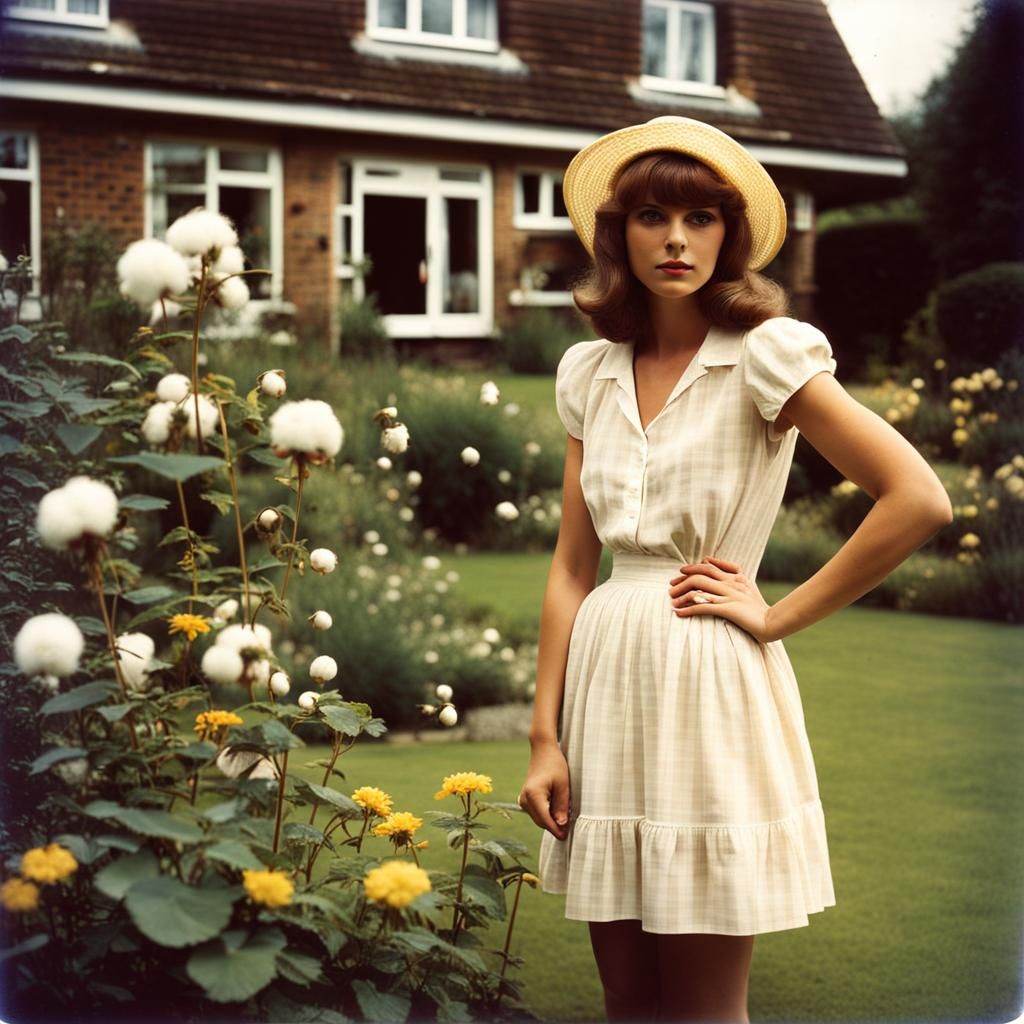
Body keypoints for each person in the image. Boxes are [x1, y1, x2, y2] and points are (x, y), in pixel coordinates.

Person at [516, 116, 953, 1024]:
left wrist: (778, 614)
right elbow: (570, 565)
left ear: (730, 235)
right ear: (617, 234)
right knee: (627, 997)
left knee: (706, 1009)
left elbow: (916, 497)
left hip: (708, 678)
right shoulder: (588, 373)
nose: (676, 239)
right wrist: (543, 737)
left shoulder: (766, 353)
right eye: (651, 217)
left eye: (702, 218)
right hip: (606, 680)